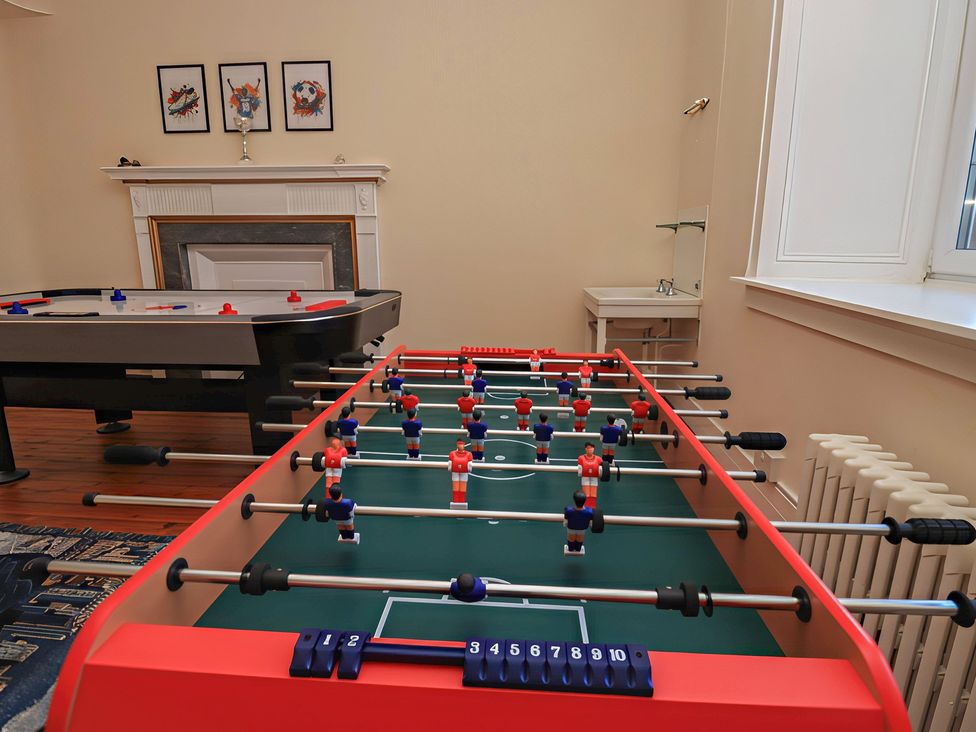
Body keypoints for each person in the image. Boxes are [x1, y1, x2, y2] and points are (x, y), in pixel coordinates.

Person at [563, 490, 594, 555]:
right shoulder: (589, 511)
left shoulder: (568, 510)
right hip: (582, 529)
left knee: (571, 539)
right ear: (584, 501)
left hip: (571, 528)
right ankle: (578, 549)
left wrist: (565, 525)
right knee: (580, 539)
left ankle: (570, 549)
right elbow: (591, 523)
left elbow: (565, 522)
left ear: (574, 501)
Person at [448, 439, 474, 508]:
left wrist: (468, 469)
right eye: (459, 444)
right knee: (456, 487)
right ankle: (456, 501)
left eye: (461, 444)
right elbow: (450, 464)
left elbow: (470, 465)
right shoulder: (452, 453)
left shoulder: (468, 454)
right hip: (456, 472)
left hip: (463, 472)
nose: (460, 446)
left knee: (462, 487)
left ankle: (461, 501)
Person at [577, 442, 603, 508]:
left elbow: (601, 469)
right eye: (588, 448)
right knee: (586, 494)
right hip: (585, 477)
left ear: (593, 449)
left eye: (591, 448)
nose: (590, 449)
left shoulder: (598, 459)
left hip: (594, 478)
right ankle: (586, 508)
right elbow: (579, 469)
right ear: (585, 449)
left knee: (593, 495)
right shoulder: (581, 458)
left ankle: (593, 508)